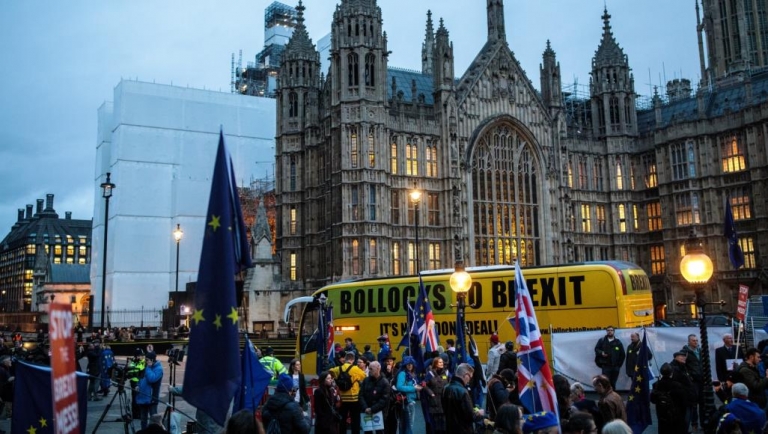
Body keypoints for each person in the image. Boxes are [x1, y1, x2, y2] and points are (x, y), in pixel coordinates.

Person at [330, 351, 367, 434]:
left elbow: (330, 372)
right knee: (355, 420)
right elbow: (364, 377)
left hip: (342, 399)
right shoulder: (356, 369)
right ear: (353, 360)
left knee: (342, 420)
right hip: (354, 399)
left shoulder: (338, 369)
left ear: (345, 359)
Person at [442, 363, 483, 434]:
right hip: (463, 430)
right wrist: (479, 413)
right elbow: (470, 416)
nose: (469, 380)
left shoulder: (445, 388)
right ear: (466, 375)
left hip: (449, 428)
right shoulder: (463, 392)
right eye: (470, 377)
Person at [650, 362, 688, 434]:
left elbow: (652, 399)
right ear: (671, 373)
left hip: (662, 415)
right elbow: (684, 402)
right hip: (676, 416)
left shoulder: (656, 385)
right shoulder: (677, 385)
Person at [680, 333, 704, 431]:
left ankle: (703, 423)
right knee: (693, 404)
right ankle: (694, 423)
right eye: (693, 340)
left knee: (703, 403)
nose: (696, 342)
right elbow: (682, 366)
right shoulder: (685, 352)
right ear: (689, 341)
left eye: (697, 340)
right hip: (693, 381)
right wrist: (689, 377)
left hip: (702, 379)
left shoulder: (700, 351)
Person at [359, 361, 390, 434]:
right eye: (369, 368)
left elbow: (384, 400)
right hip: (366, 411)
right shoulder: (366, 380)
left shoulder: (385, 382)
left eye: (371, 369)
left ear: (378, 369)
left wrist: (372, 409)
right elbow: (361, 395)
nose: (369, 371)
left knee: (379, 432)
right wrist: (365, 408)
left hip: (379, 413)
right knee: (367, 432)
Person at [395, 355, 423, 434]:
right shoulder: (402, 373)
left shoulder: (411, 373)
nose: (410, 365)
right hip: (406, 402)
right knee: (408, 425)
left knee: (406, 425)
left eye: (411, 364)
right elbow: (399, 387)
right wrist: (414, 388)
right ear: (405, 365)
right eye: (408, 364)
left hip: (410, 401)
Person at [136, 351, 163, 430]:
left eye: (147, 359)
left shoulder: (159, 369)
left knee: (153, 419)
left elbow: (152, 379)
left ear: (152, 360)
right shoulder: (146, 366)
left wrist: (148, 368)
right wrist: (138, 385)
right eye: (146, 359)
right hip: (143, 396)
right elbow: (140, 377)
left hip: (152, 397)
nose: (146, 361)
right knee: (143, 419)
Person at [593, 326, 625, 390]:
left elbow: (622, 354)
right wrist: (602, 353)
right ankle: (606, 395)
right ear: (606, 331)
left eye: (611, 330)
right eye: (608, 330)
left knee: (613, 383)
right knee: (605, 382)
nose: (610, 331)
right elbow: (596, 349)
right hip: (606, 366)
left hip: (615, 367)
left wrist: (618, 365)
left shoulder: (618, 342)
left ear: (614, 332)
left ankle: (613, 394)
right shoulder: (602, 340)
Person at [425, 356, 450, 434]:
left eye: (442, 362)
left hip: (444, 401)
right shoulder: (430, 373)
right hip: (434, 401)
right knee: (436, 425)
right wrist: (431, 393)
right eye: (440, 362)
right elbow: (424, 385)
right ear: (435, 364)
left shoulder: (446, 373)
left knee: (445, 424)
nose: (442, 364)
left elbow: (451, 383)